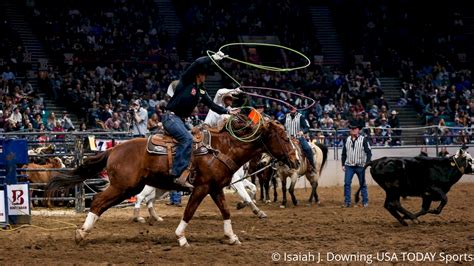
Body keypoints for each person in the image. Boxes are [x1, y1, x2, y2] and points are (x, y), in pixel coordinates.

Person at [163, 52, 238, 189]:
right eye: (204, 74)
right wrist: (212, 58)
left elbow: (212, 105)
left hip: (179, 120)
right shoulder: (186, 82)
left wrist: (227, 111)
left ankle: (190, 171)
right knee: (187, 139)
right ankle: (177, 174)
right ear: (198, 74)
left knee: (197, 140)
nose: (205, 76)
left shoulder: (201, 91)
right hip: (171, 117)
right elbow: (197, 63)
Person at [203, 88, 261, 214]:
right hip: (207, 133)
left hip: (217, 137)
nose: (230, 101)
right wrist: (235, 90)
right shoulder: (217, 103)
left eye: (231, 99)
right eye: (228, 98)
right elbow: (218, 92)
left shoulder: (227, 112)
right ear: (224, 98)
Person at [341, 121, 372, 208]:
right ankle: (347, 201)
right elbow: (344, 153)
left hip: (360, 165)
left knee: (362, 184)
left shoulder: (364, 140)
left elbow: (368, 152)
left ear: (358, 130)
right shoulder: (347, 139)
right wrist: (343, 164)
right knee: (347, 183)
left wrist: (367, 163)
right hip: (349, 165)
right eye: (351, 129)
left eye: (354, 129)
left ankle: (365, 201)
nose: (353, 130)